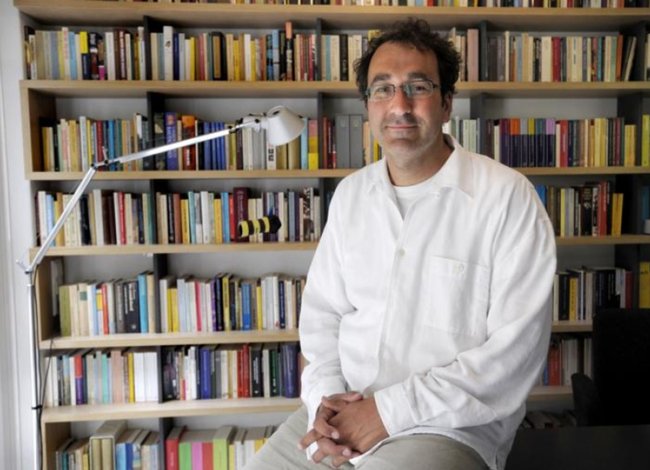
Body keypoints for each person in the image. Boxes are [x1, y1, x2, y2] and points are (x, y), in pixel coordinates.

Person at [245, 18, 556, 470]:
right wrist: (324, 405)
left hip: (446, 425)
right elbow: (321, 321)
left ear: (446, 104)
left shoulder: (508, 198)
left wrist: (385, 413)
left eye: (418, 87)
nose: (399, 105)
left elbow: (512, 356)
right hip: (343, 410)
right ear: (367, 106)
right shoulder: (351, 196)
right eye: (383, 89)